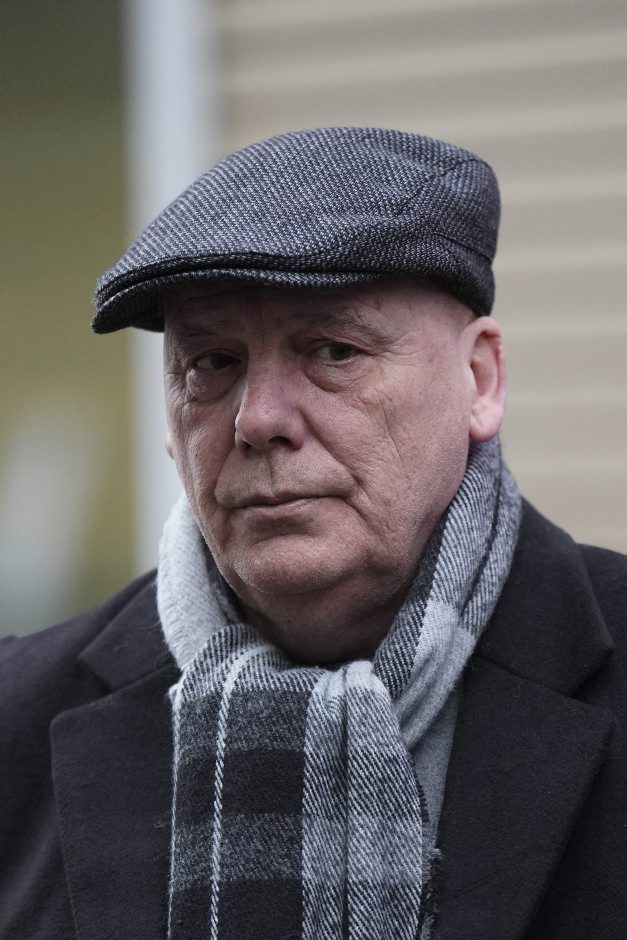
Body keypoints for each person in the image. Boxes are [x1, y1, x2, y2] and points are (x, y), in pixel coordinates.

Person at [0, 127, 625, 940]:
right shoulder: (17, 719)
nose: (258, 419)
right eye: (212, 363)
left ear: (478, 379)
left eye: (334, 350)